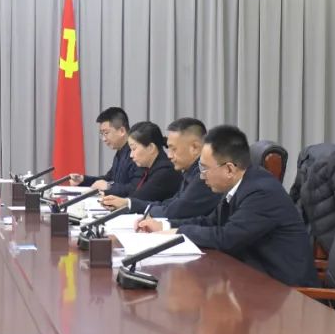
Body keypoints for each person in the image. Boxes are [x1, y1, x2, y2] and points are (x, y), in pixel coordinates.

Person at [138, 125, 317, 287]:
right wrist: (164, 226)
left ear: (229, 169)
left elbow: (227, 238)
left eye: (205, 169)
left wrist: (177, 233)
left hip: (286, 292)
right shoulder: (241, 184)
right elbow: (211, 222)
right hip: (255, 280)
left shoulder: (261, 192)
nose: (202, 176)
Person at [100, 117, 221, 220]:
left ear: (194, 147)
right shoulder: (190, 172)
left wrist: (130, 204)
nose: (169, 155)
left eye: (174, 149)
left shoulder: (203, 175)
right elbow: (169, 204)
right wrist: (129, 203)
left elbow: (174, 211)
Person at [98, 121, 181, 203]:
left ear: (151, 148)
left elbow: (137, 199)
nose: (131, 155)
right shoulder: (147, 167)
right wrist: (106, 193)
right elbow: (132, 191)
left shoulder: (165, 171)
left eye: (134, 149)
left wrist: (112, 197)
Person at [67, 107, 145, 193]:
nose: (104, 139)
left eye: (106, 133)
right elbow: (109, 179)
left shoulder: (136, 153)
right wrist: (83, 180)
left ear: (122, 131)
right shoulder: (121, 151)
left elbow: (136, 188)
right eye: (102, 134)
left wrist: (109, 187)